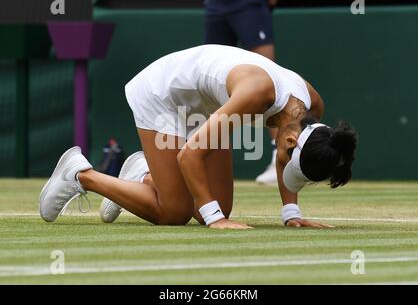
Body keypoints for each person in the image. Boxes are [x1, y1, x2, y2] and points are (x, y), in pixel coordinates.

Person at [39, 45, 357, 229]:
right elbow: (189, 155)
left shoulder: (309, 108)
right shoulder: (258, 93)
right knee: (174, 213)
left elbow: (288, 154)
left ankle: (146, 177)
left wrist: (292, 215)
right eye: (286, 161)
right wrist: (215, 220)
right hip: (164, 93)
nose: (281, 162)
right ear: (290, 142)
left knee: (216, 206)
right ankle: (80, 174)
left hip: (207, 105)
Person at [204, 0, 284, 185]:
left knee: (269, 80)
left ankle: (281, 156)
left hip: (251, 2)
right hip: (216, 3)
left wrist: (265, 3)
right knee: (211, 80)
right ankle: (206, 158)